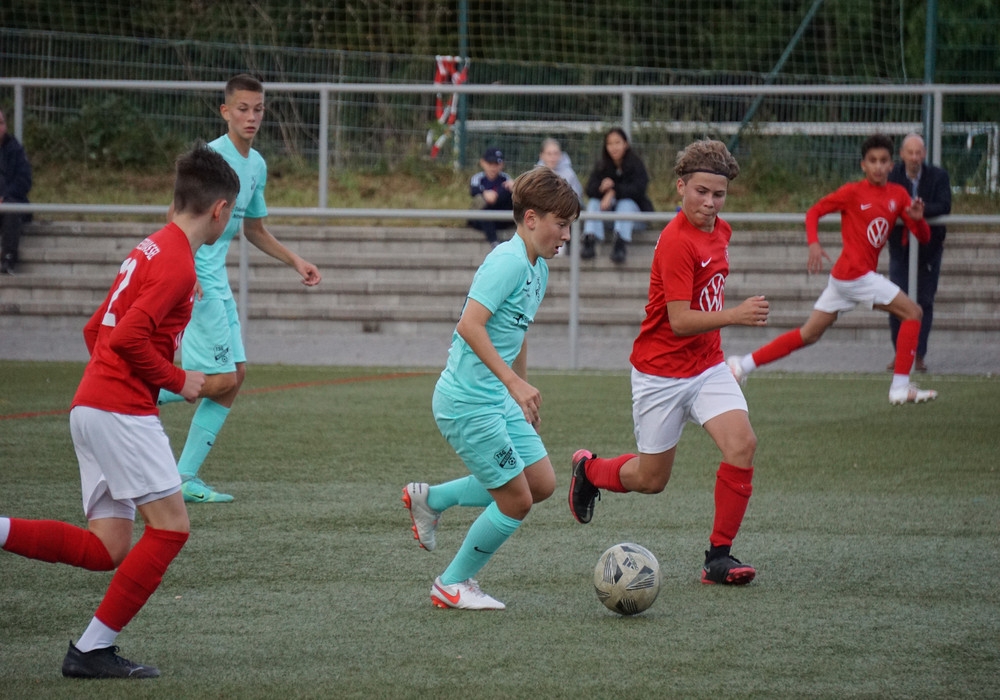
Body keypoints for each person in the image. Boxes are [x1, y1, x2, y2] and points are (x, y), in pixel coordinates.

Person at [0, 144, 239, 679]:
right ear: (220, 210)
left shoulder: (148, 248)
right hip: (117, 411)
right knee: (172, 529)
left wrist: (114, 387)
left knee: (108, 547)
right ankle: (91, 650)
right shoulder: (177, 263)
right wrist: (177, 380)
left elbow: (95, 330)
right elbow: (127, 337)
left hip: (91, 404)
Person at [568, 139, 767, 586]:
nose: (710, 202)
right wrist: (735, 315)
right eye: (701, 192)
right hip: (660, 372)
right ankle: (589, 470)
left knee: (742, 445)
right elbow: (678, 321)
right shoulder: (677, 242)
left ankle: (718, 558)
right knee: (651, 479)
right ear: (681, 187)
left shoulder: (721, 231)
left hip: (707, 366)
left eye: (719, 194)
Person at [403, 166, 581, 610]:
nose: (567, 235)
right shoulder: (507, 262)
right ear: (532, 218)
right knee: (517, 501)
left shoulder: (538, 268)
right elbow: (470, 325)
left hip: (497, 399)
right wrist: (513, 383)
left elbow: (517, 332)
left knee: (541, 483)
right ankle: (451, 583)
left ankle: (432, 499)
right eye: (561, 224)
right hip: (467, 403)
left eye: (570, 226)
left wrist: (521, 388)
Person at [158, 74, 322, 503]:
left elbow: (254, 229)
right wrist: (184, 272)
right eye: (243, 109)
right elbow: (174, 217)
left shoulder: (257, 165)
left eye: (258, 109)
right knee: (221, 378)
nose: (251, 117)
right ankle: (133, 391)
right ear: (225, 112)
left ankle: (184, 476)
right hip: (198, 281)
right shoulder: (211, 158)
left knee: (236, 376)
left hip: (218, 282)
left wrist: (296, 261)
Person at [727, 134, 936, 406]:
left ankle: (741, 364)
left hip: (844, 280)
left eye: (883, 160)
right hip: (854, 275)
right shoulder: (852, 192)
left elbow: (924, 237)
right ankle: (900, 387)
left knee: (809, 334)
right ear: (863, 165)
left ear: (891, 165)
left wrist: (918, 221)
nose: (878, 166)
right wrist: (814, 244)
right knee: (913, 312)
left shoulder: (898, 194)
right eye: (872, 160)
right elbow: (814, 212)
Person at [886, 133, 951, 373]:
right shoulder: (892, 176)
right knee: (896, 301)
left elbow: (944, 205)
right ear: (901, 155)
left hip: (929, 249)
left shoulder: (938, 176)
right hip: (900, 249)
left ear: (924, 154)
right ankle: (900, 353)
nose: (914, 157)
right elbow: (886, 202)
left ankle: (919, 355)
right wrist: (906, 210)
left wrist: (921, 211)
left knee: (924, 302)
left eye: (918, 153)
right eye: (910, 153)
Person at [581, 127, 653, 264]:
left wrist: (613, 191)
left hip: (634, 219)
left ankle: (620, 243)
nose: (614, 147)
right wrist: (601, 188)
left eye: (617, 143)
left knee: (626, 203)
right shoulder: (602, 165)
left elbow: (638, 190)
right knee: (594, 203)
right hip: (609, 219)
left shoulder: (636, 165)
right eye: (610, 144)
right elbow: (589, 190)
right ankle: (590, 239)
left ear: (625, 144)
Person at [0, 107, 33, 274]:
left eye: (1, 123)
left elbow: (24, 181)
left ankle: (8, 259)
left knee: (12, 208)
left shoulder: (16, 150)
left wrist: (4, 197)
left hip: (10, 204)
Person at [468, 146, 515, 248]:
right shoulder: (478, 178)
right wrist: (485, 193)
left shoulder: (506, 179)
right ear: (482, 163)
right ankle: (494, 242)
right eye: (490, 163)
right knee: (483, 209)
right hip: (483, 218)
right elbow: (473, 191)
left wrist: (496, 195)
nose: (493, 167)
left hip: (500, 216)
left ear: (502, 164)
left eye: (496, 164)